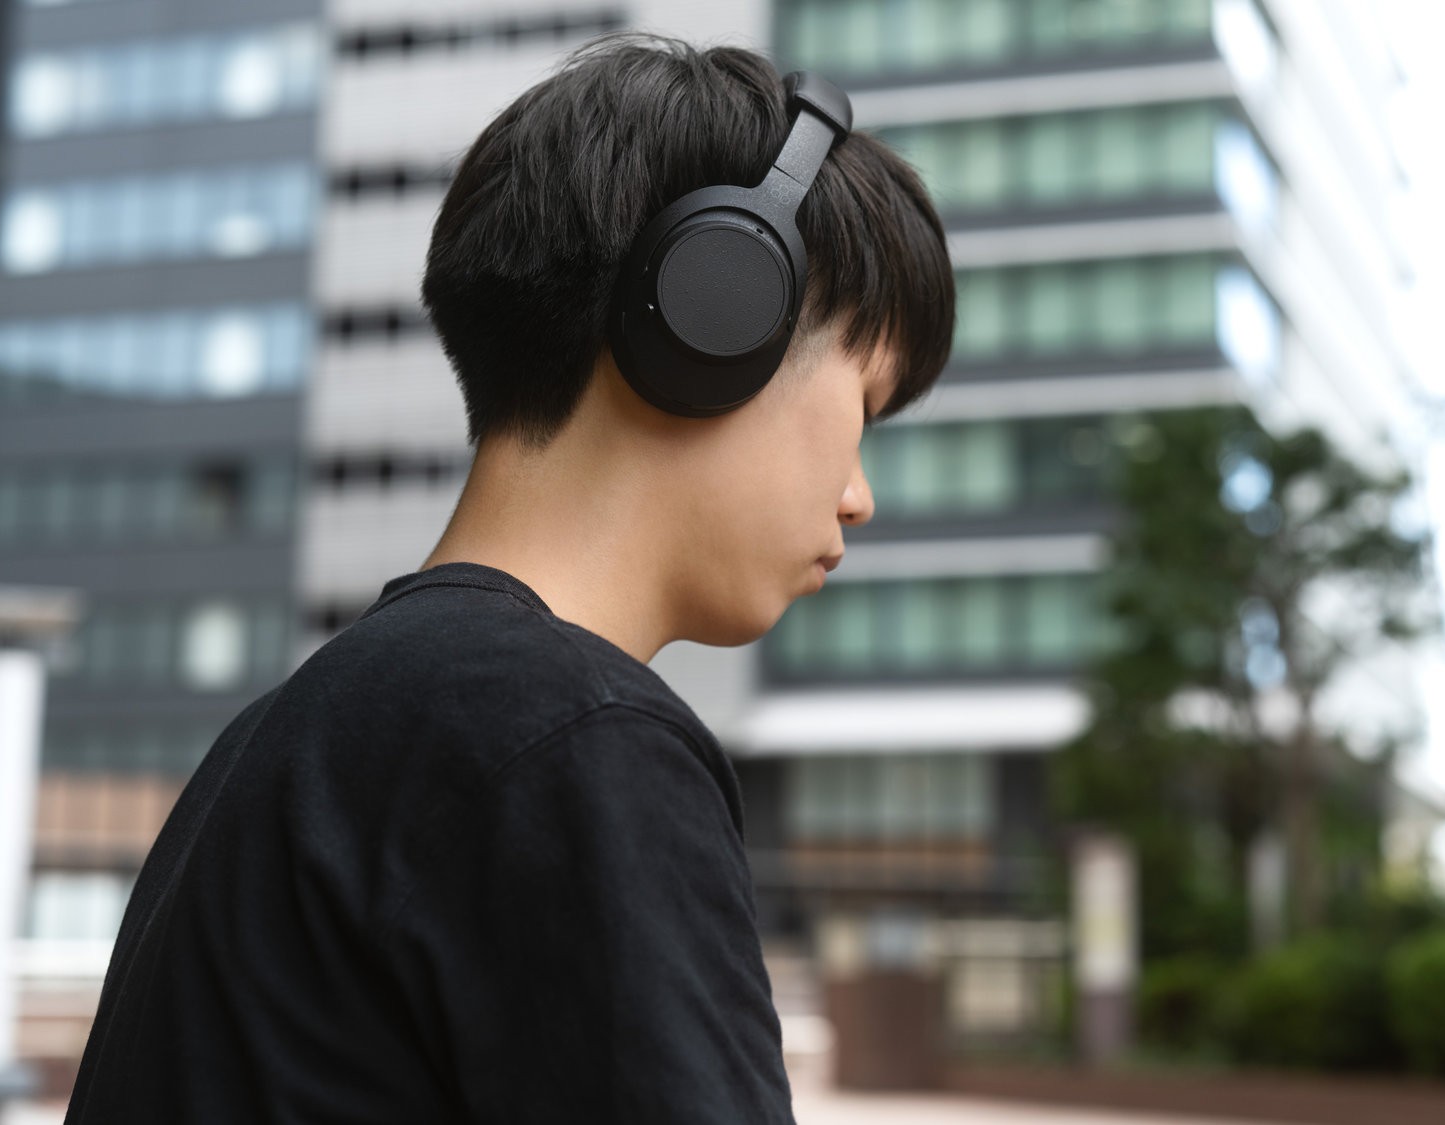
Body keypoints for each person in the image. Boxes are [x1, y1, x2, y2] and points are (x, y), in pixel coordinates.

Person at [64, 32, 954, 1123]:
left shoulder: (277, 741)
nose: (860, 494)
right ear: (720, 310)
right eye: (861, 407)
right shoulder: (576, 740)